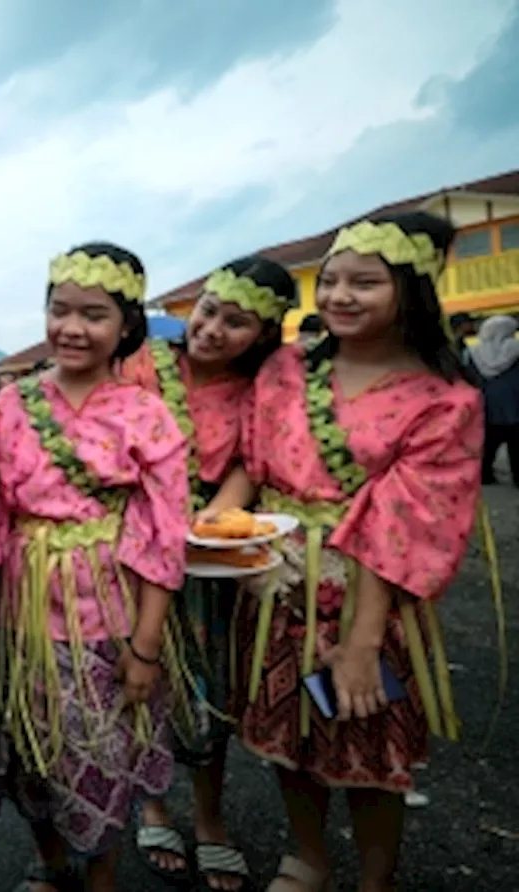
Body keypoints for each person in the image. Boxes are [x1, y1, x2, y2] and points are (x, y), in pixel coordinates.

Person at [210, 212, 482, 891]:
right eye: (330, 281)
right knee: (287, 739)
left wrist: (361, 644)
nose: (339, 296)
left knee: (369, 746)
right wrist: (218, 517)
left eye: (365, 283)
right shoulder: (286, 365)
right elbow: (252, 458)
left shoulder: (443, 400)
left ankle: (375, 876)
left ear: (411, 290)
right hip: (273, 586)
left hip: (368, 604)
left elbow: (404, 528)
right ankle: (307, 856)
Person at [0, 241, 189, 892]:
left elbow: (163, 532)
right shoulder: (11, 405)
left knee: (101, 750)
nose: (72, 327)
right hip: (22, 613)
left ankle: (100, 872)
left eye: (94, 314)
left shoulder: (146, 413)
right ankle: (48, 861)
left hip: (108, 609)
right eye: (60, 310)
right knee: (29, 748)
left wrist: (147, 645)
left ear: (126, 324)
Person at [121, 256, 295, 891]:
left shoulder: (258, 390)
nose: (214, 329)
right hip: (136, 553)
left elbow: (250, 463)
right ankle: (153, 804)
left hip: (206, 559)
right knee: (141, 681)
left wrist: (208, 525)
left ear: (263, 336)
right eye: (210, 311)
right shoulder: (143, 363)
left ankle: (209, 816)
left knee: (206, 688)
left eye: (237, 323)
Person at [466, 315, 519, 484]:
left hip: (486, 406)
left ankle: (485, 476)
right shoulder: (516, 349)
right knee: (517, 445)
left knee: (487, 445)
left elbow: (469, 378)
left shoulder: (473, 353)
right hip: (514, 405)